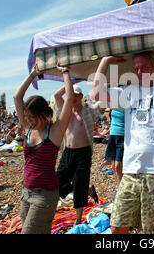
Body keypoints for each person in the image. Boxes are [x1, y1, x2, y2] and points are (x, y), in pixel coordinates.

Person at [90, 35, 154, 234]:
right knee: (118, 224)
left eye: (143, 67)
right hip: (132, 169)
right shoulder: (128, 91)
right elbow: (96, 95)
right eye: (135, 68)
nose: (138, 71)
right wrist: (105, 61)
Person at [14, 63, 74, 234]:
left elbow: (69, 98)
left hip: (45, 194)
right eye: (26, 117)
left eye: (32, 117)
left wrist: (65, 72)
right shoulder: (28, 128)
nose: (28, 120)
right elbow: (17, 98)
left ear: (42, 113)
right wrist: (33, 75)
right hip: (26, 192)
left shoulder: (55, 130)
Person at [54, 84, 101, 226]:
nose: (73, 97)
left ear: (81, 96)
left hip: (83, 153)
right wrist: (68, 82)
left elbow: (101, 101)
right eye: (71, 94)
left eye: (75, 94)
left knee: (79, 183)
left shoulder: (88, 111)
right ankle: (87, 190)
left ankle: (78, 219)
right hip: (67, 152)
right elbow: (57, 96)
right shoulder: (65, 110)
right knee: (56, 183)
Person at [101, 108, 125, 188]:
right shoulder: (112, 107)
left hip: (123, 136)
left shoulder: (128, 105)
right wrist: (106, 132)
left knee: (118, 166)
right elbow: (112, 123)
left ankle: (122, 189)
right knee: (114, 167)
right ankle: (120, 188)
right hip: (113, 136)